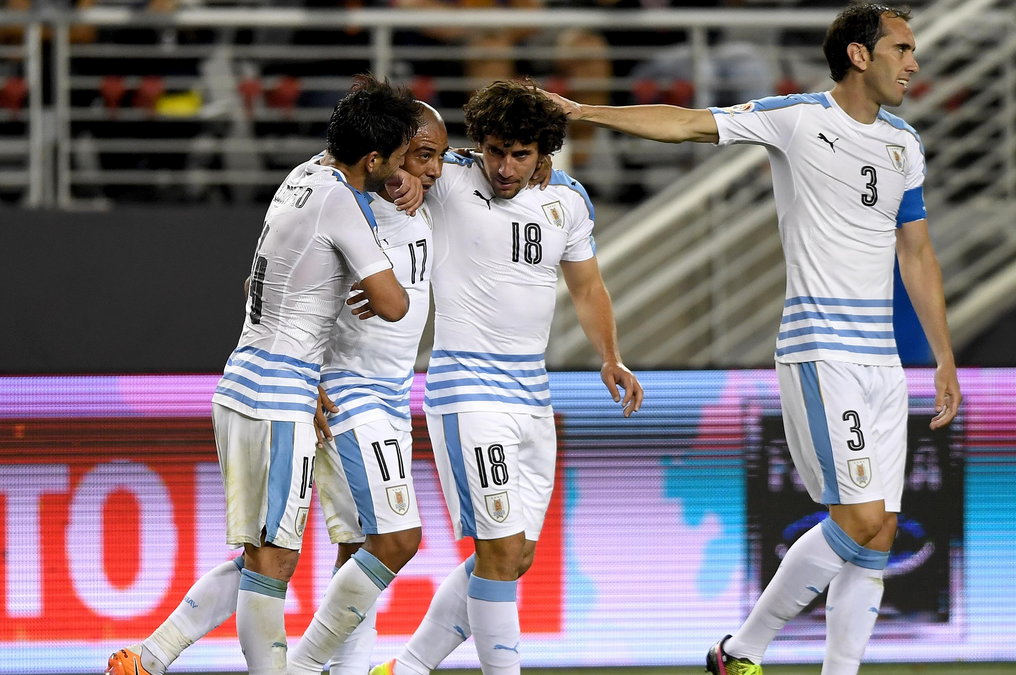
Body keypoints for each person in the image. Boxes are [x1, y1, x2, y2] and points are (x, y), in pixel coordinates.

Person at [541, 3, 962, 674]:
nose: (914, 63)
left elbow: (917, 255)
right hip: (820, 350)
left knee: (879, 531)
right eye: (902, 49)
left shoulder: (903, 143)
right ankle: (740, 649)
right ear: (860, 55)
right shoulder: (797, 118)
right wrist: (587, 113)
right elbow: (687, 124)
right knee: (856, 518)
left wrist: (943, 357)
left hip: (885, 362)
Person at [105, 73, 422, 675]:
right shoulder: (342, 202)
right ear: (374, 157)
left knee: (259, 555)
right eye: (400, 156)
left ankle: (148, 659)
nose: (406, 167)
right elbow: (394, 304)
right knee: (274, 562)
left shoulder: (302, 177)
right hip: (280, 395)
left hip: (245, 378)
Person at [371, 80, 644, 675]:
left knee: (515, 555)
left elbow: (587, 285)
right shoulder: (447, 178)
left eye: (520, 154)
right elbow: (379, 165)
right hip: (466, 389)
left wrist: (610, 355)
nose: (504, 166)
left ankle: (407, 668)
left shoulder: (568, 199)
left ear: (544, 151)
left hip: (532, 393)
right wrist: (400, 176)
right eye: (495, 150)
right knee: (495, 550)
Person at [286, 102, 450, 675]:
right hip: (345, 384)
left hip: (393, 391)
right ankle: (303, 667)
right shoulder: (339, 193)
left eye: (439, 157)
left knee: (361, 547)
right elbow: (273, 275)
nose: (433, 170)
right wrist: (301, 375)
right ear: (384, 154)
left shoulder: (430, 187)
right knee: (396, 539)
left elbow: (498, 168)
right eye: (422, 156)